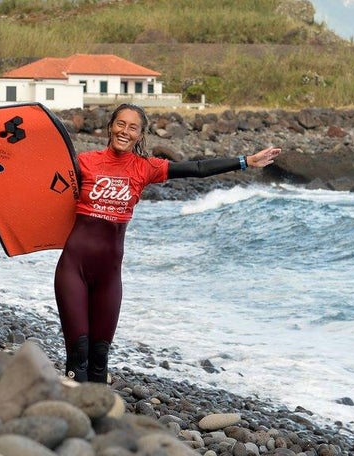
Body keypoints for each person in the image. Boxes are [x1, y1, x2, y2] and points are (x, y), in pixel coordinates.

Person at [54, 103, 281, 383]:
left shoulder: (145, 168)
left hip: (109, 276)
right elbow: (42, 186)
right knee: (79, 353)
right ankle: (68, 418)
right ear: (111, 126)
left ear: (141, 134)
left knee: (100, 357)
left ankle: (97, 422)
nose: (125, 131)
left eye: (132, 127)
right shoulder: (84, 162)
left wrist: (246, 161)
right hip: (73, 268)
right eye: (120, 124)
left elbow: (196, 169)